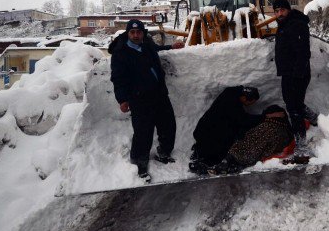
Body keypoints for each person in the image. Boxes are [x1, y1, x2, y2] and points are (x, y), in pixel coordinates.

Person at [109, 19, 184, 182]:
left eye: (139, 32)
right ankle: (139, 165)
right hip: (139, 98)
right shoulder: (121, 53)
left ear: (143, 33)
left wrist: (171, 47)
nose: (136, 35)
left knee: (168, 125)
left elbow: (157, 48)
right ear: (128, 33)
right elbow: (118, 78)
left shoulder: (147, 43)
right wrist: (122, 99)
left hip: (159, 94)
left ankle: (163, 153)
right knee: (143, 133)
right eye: (133, 32)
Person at [272, 0, 313, 161]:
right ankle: (312, 116)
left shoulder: (296, 24)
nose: (279, 13)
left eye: (282, 10)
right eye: (276, 11)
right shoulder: (285, 25)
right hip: (288, 73)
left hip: (297, 74)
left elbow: (304, 53)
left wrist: (297, 75)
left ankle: (302, 147)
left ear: (288, 9)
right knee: (293, 104)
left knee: (294, 109)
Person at [189, 86, 261, 174]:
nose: (249, 105)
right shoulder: (233, 104)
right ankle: (203, 163)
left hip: (203, 129)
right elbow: (243, 120)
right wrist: (263, 117)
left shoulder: (230, 93)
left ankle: (201, 155)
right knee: (217, 153)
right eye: (250, 102)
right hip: (208, 134)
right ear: (244, 98)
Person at [211, 105, 294, 174]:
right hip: (249, 157)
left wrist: (233, 158)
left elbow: (253, 149)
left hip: (242, 159)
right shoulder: (284, 130)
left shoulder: (267, 128)